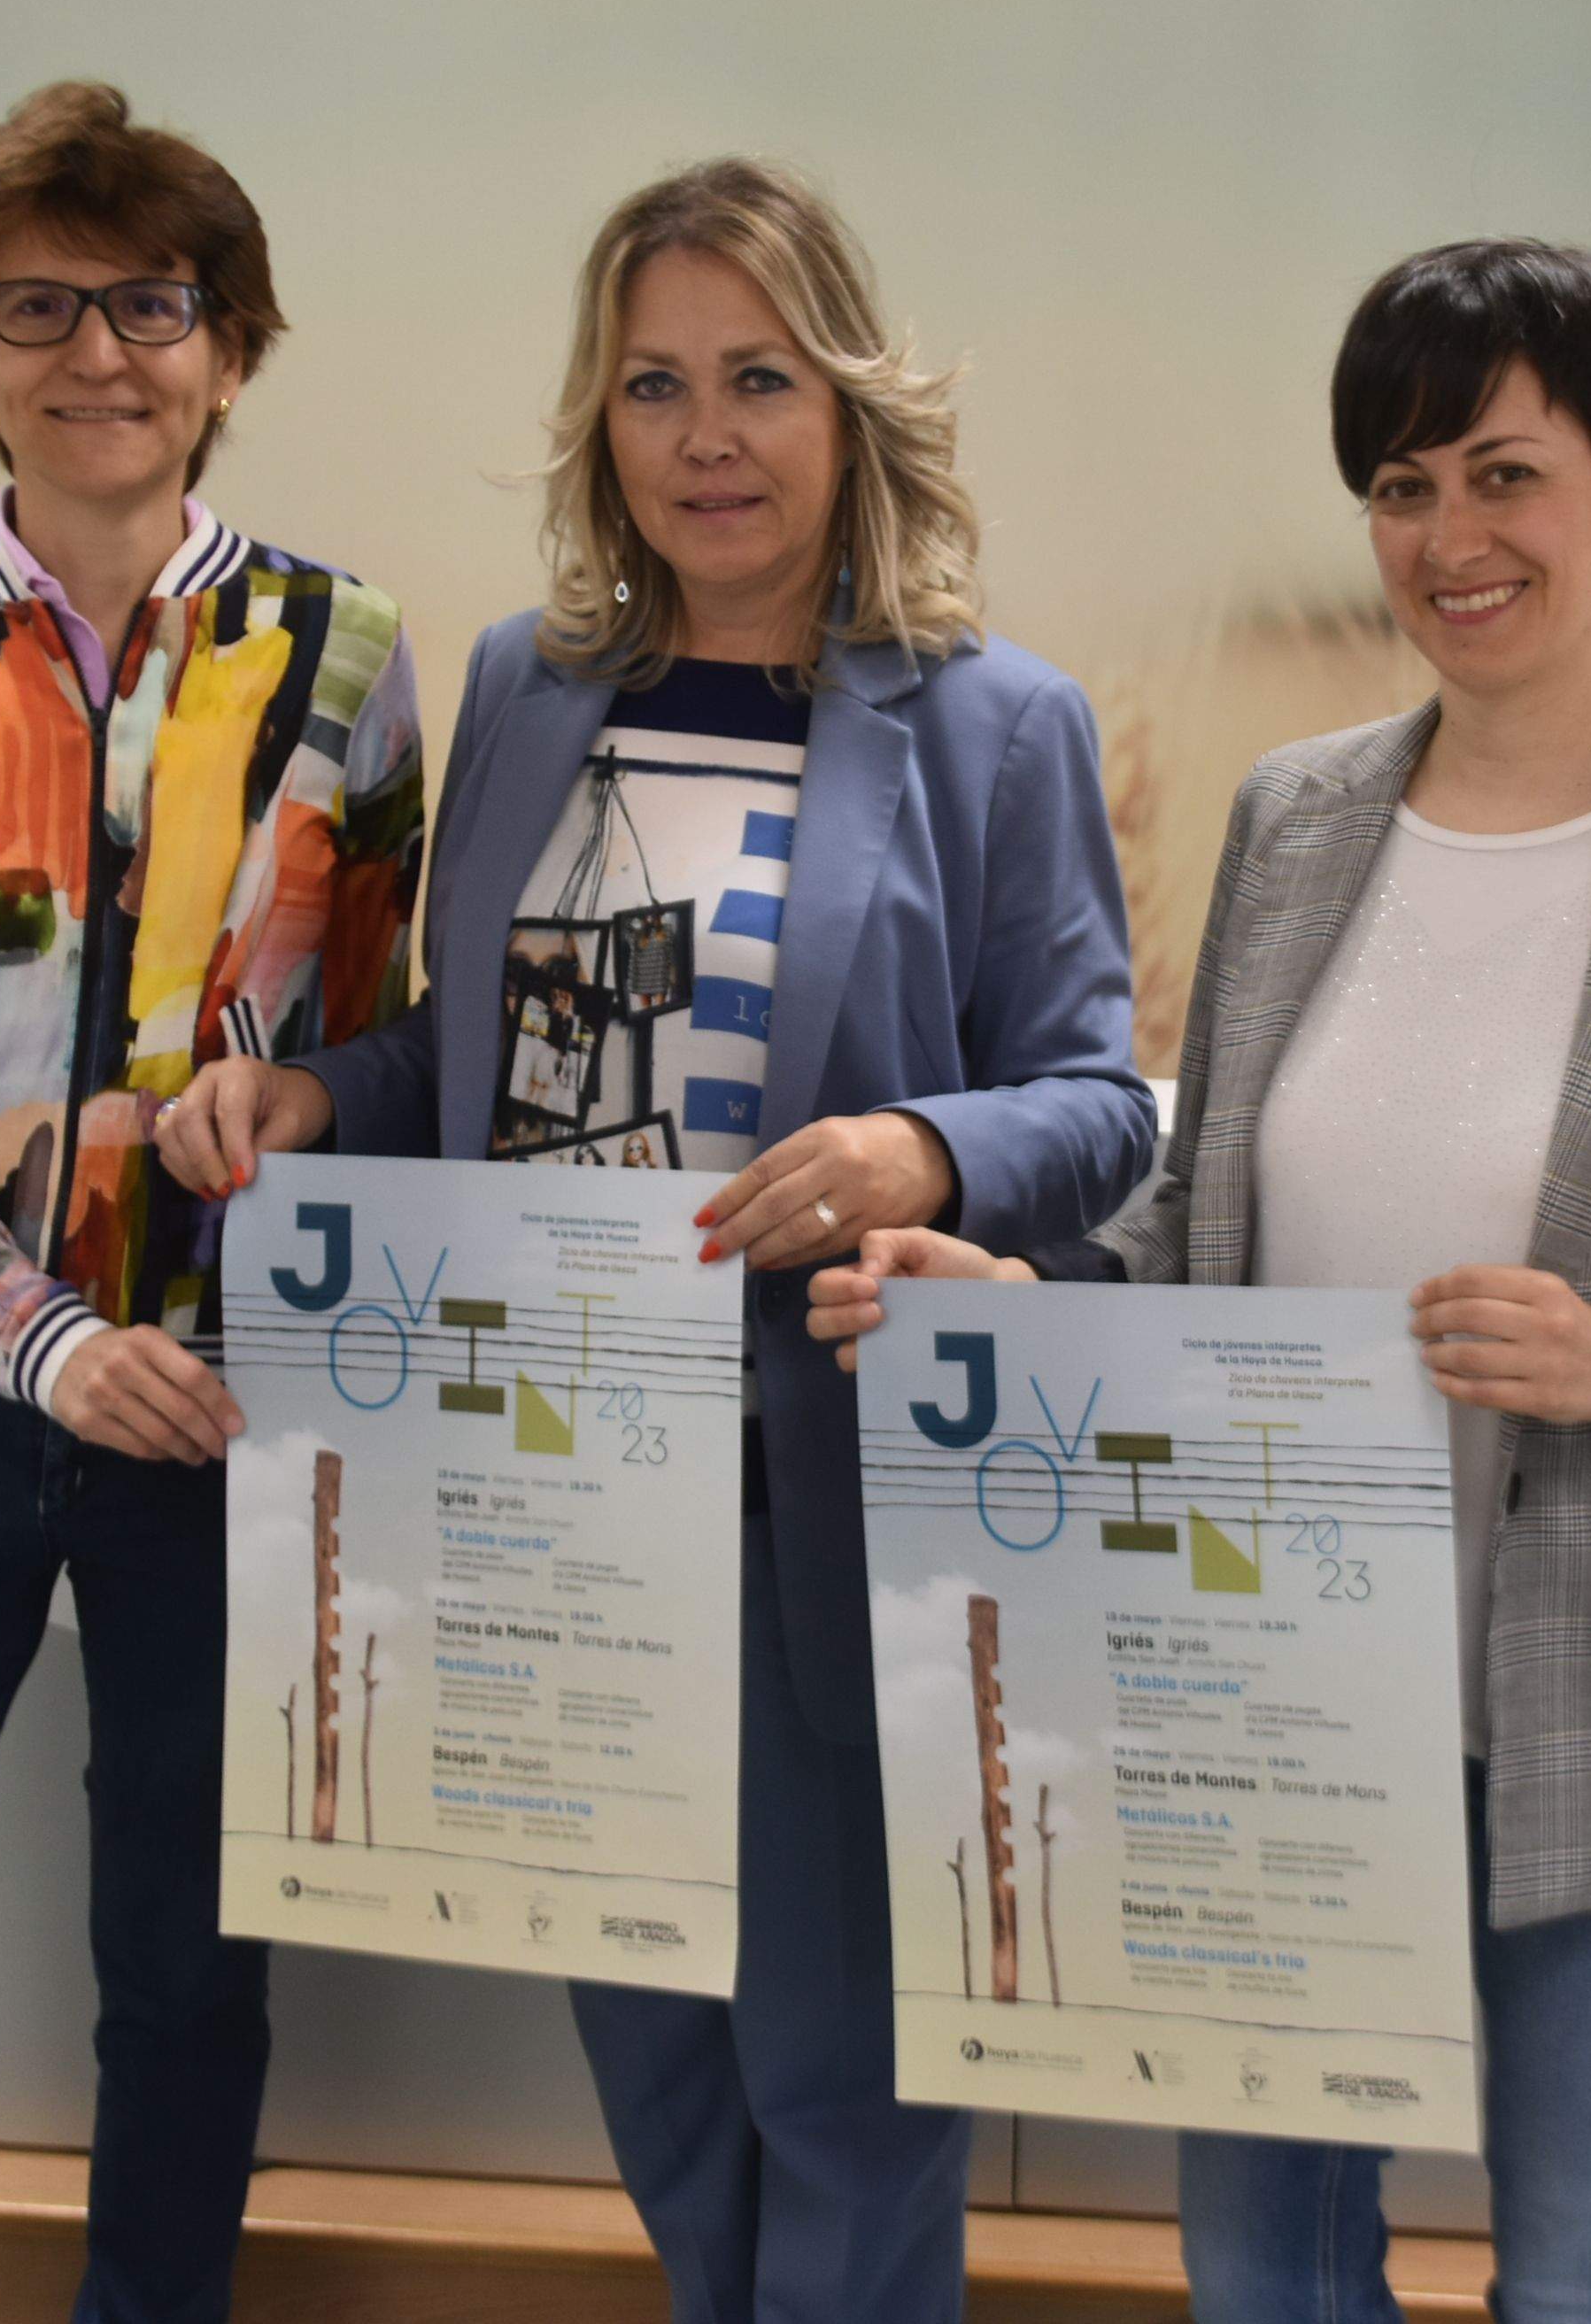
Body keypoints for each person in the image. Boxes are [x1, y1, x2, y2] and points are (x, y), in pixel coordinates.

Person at [809, 242, 1591, 2324]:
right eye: (1403, 486)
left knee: (1579, 2273)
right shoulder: (1298, 820)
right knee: (1259, 2271)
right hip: (1273, 1691)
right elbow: (1204, 1230)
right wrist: (1009, 1289)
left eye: (1506, 476)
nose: (1451, 539)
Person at [158, 157, 1154, 2322]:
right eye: (654, 384)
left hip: (820, 1503)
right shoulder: (530, 687)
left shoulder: (992, 720)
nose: (707, 435)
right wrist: (323, 1093)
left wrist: (917, 1150)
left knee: (841, 2082)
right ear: (598, 423)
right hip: (547, 1489)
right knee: (665, 2085)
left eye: (759, 378)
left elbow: (1101, 1106)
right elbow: (493, 1045)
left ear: (851, 403)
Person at [0, 80, 424, 2323]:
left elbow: (374, 1046)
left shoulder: (344, 653)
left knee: (191, 1993)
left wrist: (302, 1104)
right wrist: (37, 1338)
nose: (96, 350)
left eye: (152, 303)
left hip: (223, 1419)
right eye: (35, 305)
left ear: (230, 350)